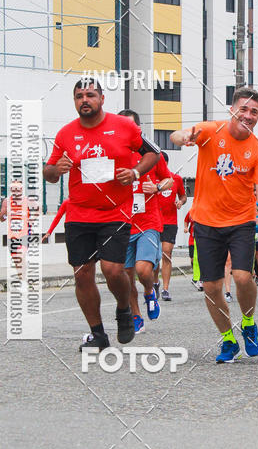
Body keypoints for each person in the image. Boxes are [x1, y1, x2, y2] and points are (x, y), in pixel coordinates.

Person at [43, 79, 160, 351]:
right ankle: (98, 334)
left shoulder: (124, 127)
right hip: (79, 214)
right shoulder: (65, 134)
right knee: (82, 274)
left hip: (115, 212)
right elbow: (48, 172)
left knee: (112, 269)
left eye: (90, 95)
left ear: (102, 99)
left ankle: (124, 309)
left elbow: (153, 153)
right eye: (79, 96)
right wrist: (56, 169)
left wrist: (135, 172)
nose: (85, 100)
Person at [170, 86, 258, 363]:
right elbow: (176, 136)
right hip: (206, 222)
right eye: (243, 109)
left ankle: (248, 322)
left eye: (254, 112)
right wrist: (184, 137)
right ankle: (229, 340)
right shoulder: (211, 131)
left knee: (243, 277)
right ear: (232, 110)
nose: (248, 115)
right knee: (211, 287)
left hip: (241, 221)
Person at [118, 110, 172, 332]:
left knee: (143, 270)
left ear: (138, 130)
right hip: (122, 224)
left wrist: (157, 187)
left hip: (148, 223)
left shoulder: (150, 154)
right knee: (126, 277)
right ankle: (136, 315)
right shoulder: (114, 154)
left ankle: (150, 292)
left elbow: (169, 180)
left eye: (129, 127)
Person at [155, 153, 187, 301]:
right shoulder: (151, 179)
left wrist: (181, 202)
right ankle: (155, 283)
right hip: (153, 221)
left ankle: (165, 289)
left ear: (165, 163)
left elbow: (183, 196)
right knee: (154, 257)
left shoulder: (176, 179)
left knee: (166, 254)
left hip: (170, 222)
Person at [0, 180, 31, 279]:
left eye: (18, 189)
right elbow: (2, 219)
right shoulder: (6, 201)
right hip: (12, 235)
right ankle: (23, 278)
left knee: (20, 255)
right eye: (13, 189)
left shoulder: (27, 201)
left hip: (24, 234)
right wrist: (5, 213)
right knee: (16, 259)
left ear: (21, 190)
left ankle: (24, 278)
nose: (16, 192)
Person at [184, 209, 203, 290]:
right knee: (192, 259)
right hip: (192, 240)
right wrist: (185, 228)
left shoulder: (204, 212)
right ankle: (195, 275)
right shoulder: (191, 212)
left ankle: (200, 279)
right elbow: (186, 220)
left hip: (201, 239)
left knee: (200, 259)